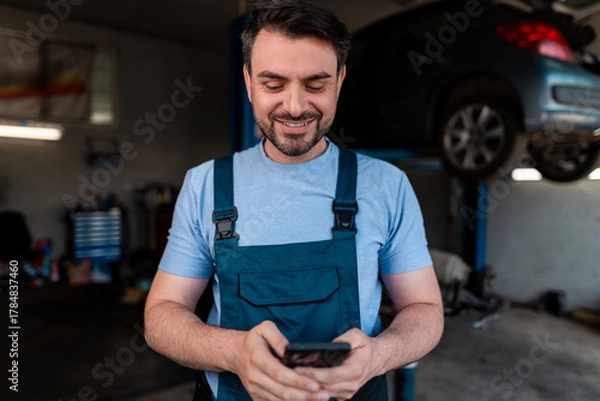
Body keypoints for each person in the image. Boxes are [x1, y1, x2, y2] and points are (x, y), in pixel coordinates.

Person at [144, 1, 444, 400]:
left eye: (316, 84)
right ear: (248, 81)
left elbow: (425, 309)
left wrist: (378, 355)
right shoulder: (206, 186)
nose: (296, 106)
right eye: (273, 84)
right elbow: (161, 316)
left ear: (340, 80)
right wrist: (234, 353)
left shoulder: (386, 186)